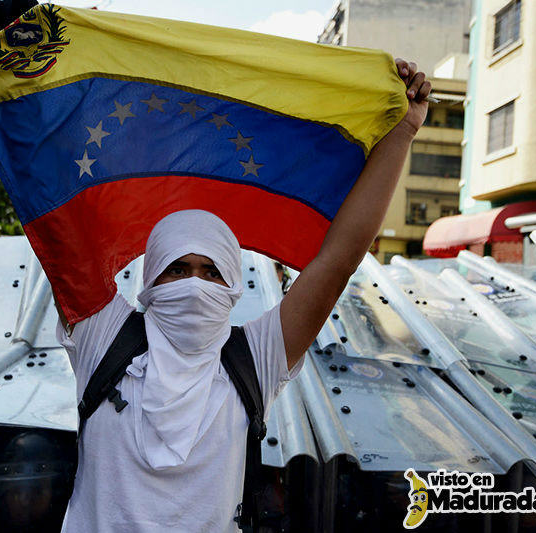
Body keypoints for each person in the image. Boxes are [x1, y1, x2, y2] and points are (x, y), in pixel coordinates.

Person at [53, 59, 431, 532]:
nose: (195, 284)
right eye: (177, 270)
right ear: (149, 281)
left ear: (233, 286)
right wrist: (48, 73)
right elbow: (58, 216)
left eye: (211, 272)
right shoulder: (102, 337)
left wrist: (402, 133)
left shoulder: (255, 357)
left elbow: (338, 259)